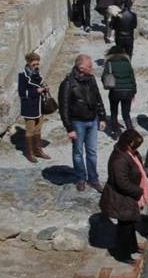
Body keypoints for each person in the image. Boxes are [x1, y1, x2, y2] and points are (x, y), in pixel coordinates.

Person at [58, 54, 106, 192]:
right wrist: (69, 128)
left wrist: (102, 117)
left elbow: (98, 98)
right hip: (77, 122)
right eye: (90, 66)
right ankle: (80, 178)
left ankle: (93, 179)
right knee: (78, 152)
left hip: (92, 120)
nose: (92, 68)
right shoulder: (68, 84)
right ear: (81, 68)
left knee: (92, 152)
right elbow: (64, 108)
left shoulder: (91, 79)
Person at [100, 129, 148, 262]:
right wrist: (139, 191)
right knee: (124, 228)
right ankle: (122, 254)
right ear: (128, 144)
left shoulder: (129, 154)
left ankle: (132, 247)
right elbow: (122, 183)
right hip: (121, 198)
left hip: (128, 197)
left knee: (130, 224)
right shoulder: (119, 160)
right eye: (135, 146)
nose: (137, 149)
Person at [18, 52, 51, 163]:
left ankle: (38, 150)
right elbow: (22, 92)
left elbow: (40, 83)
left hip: (39, 106)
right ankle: (30, 153)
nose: (36, 66)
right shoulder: (22, 76)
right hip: (29, 107)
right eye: (34, 64)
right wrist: (36, 91)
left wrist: (45, 87)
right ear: (28, 63)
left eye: (37, 64)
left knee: (38, 129)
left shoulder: (37, 74)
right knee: (30, 131)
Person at [102, 45, 136, 134]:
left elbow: (104, 77)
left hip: (115, 91)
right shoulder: (127, 63)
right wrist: (134, 92)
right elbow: (132, 78)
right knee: (126, 114)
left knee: (114, 112)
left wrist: (107, 85)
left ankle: (115, 132)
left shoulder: (109, 63)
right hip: (128, 91)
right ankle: (131, 132)